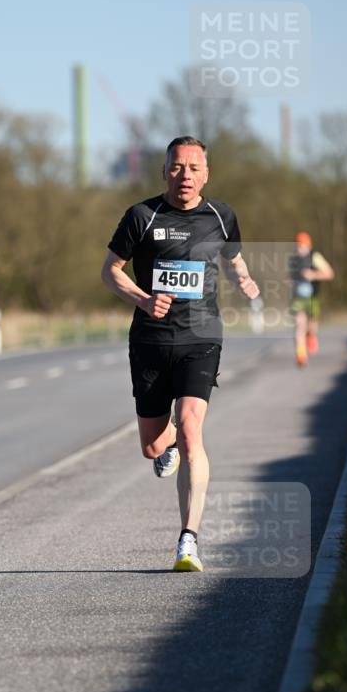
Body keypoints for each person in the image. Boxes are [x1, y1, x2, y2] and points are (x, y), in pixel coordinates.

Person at [101, 136, 260, 572]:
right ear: (164, 171)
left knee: (192, 430)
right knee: (154, 447)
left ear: (205, 173)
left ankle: (188, 540)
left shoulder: (221, 216)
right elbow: (109, 270)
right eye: (176, 167)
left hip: (201, 337)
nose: (185, 175)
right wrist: (142, 299)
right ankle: (165, 440)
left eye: (193, 168)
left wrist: (244, 281)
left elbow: (233, 260)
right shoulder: (141, 216)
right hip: (151, 340)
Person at [288, 232, 334, 366]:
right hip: (298, 297)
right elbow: (289, 276)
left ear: (308, 246)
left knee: (312, 325)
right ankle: (301, 355)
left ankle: (311, 335)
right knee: (299, 324)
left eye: (302, 246)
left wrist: (313, 275)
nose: (299, 249)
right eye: (297, 246)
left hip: (313, 296)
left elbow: (329, 274)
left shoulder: (315, 257)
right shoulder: (293, 260)